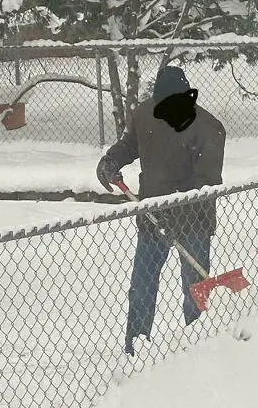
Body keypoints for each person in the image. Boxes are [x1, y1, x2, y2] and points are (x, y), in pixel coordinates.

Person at [96, 66, 226, 356]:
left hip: (193, 221)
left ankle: (201, 348)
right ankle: (136, 348)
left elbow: (207, 181)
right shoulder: (145, 115)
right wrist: (110, 161)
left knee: (195, 288)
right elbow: (130, 145)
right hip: (152, 219)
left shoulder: (208, 127)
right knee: (141, 286)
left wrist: (176, 206)